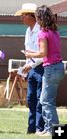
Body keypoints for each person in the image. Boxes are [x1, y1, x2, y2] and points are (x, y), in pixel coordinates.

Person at [24, 5, 65, 136]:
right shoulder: (54, 32)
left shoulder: (42, 33)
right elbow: (49, 51)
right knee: (45, 100)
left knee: (47, 102)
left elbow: (43, 53)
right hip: (58, 67)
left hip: (51, 68)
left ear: (39, 18)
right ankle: (48, 129)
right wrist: (33, 52)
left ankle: (55, 132)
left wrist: (30, 55)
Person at [15, 3, 44, 134]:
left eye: (23, 15)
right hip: (32, 69)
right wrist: (26, 68)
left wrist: (30, 64)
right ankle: (31, 129)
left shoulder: (42, 31)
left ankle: (40, 128)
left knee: (40, 100)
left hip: (42, 68)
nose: (22, 18)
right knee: (30, 99)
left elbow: (43, 54)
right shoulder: (28, 31)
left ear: (31, 16)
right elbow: (28, 52)